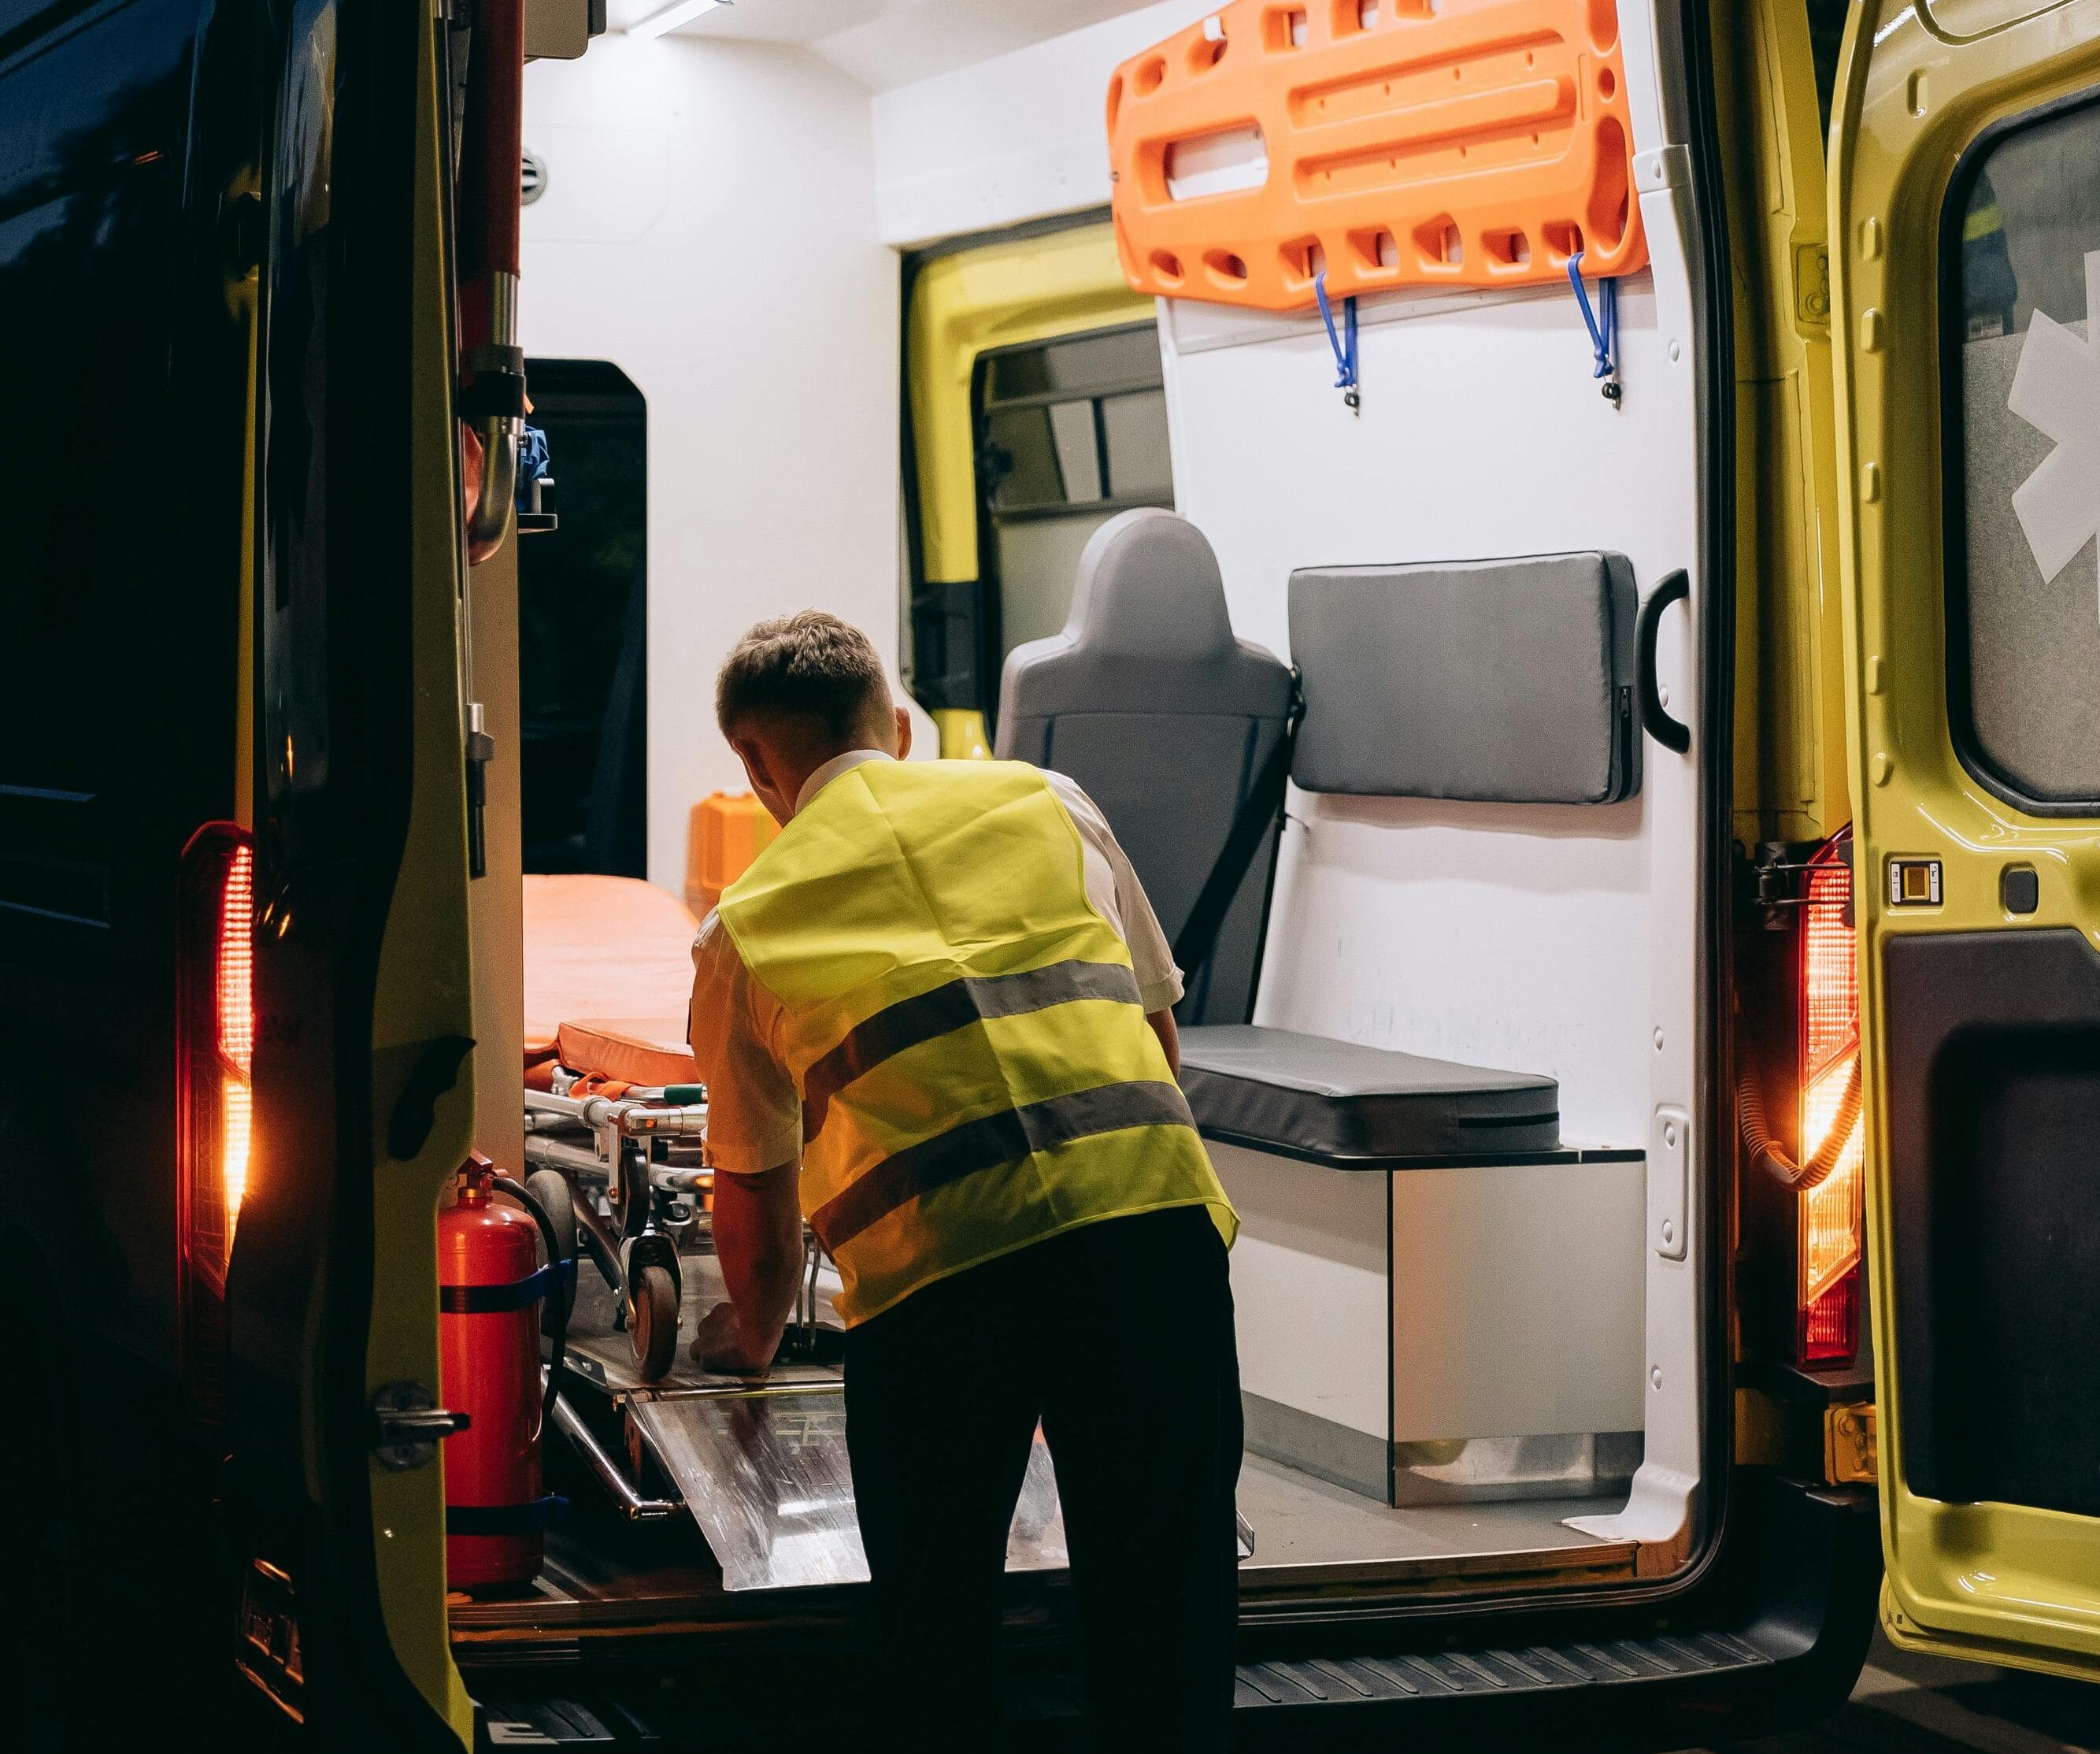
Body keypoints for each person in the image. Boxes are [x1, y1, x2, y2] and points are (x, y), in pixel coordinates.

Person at [686, 610, 1243, 1750]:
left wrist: (750, 1341)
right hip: (1153, 1235)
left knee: (935, 1632)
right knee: (1168, 1612)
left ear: (754, 765)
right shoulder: (1048, 801)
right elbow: (1154, 1038)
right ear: (895, 725)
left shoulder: (743, 929)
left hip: (942, 1289)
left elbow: (759, 1210)